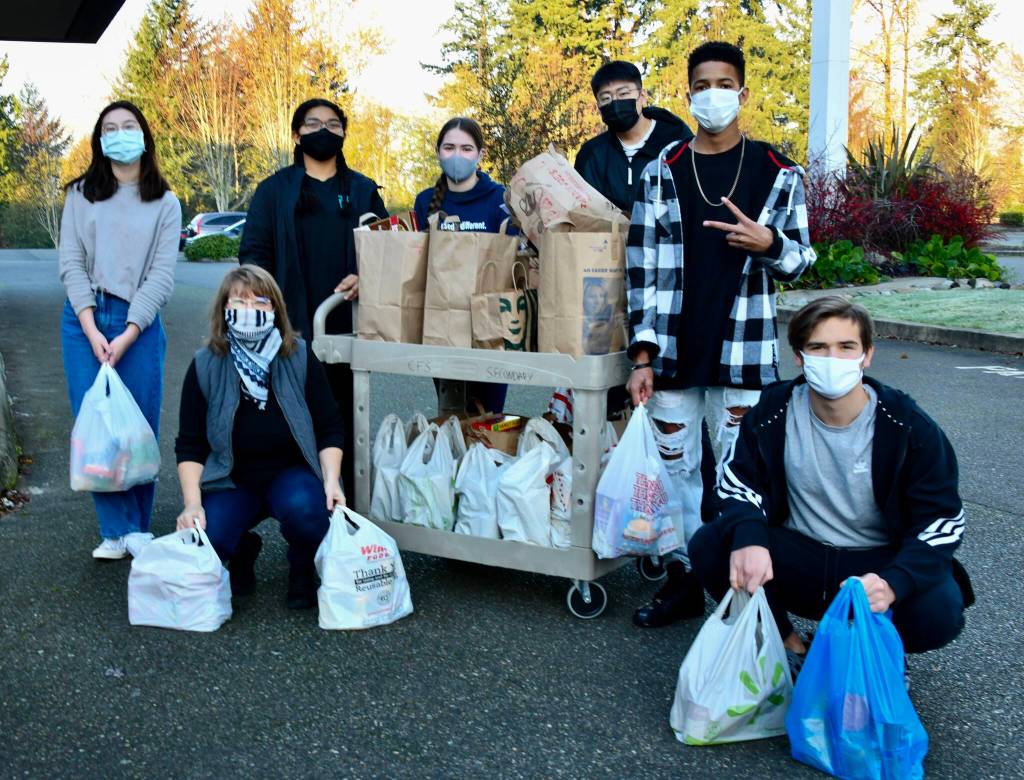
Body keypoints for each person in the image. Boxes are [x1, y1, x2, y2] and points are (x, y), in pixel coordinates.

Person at [626, 41, 816, 628]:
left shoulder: (778, 172)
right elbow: (642, 268)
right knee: (676, 470)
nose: (713, 95)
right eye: (702, 85)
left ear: (743, 92)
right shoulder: (663, 171)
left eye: (724, 84)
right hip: (673, 352)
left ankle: (748, 595)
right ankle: (683, 580)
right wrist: (642, 355)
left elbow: (802, 259)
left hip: (744, 352)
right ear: (688, 94)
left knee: (744, 476)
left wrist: (770, 244)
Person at [689, 297, 973, 672]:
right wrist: (750, 536)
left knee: (939, 608)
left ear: (867, 355)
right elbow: (736, 482)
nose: (832, 358)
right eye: (819, 347)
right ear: (799, 356)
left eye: (846, 346)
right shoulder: (773, 411)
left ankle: (877, 649)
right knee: (712, 544)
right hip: (800, 555)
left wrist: (893, 583)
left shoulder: (907, 426)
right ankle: (789, 645)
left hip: (874, 562)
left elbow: (942, 521)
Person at [239, 98, 386, 503]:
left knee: (345, 422)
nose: (324, 130)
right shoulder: (274, 192)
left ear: (344, 133)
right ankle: (303, 514)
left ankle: (349, 513)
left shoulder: (363, 191)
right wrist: (267, 311)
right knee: (295, 423)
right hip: (291, 331)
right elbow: (253, 256)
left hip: (349, 331)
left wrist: (368, 276)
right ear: (296, 134)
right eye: (313, 123)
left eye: (333, 124)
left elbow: (389, 251)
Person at [174, 266, 345, 610]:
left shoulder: (298, 356)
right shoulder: (206, 364)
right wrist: (192, 503)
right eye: (239, 302)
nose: (249, 310)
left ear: (275, 310)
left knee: (310, 512)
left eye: (260, 302)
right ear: (224, 309)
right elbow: (190, 443)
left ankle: (302, 565)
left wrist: (331, 481)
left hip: (291, 473)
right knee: (209, 537)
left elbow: (329, 426)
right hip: (231, 478)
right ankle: (242, 549)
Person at [59, 100, 180, 560]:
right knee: (97, 426)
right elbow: (71, 263)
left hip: (139, 322)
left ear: (144, 137)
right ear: (99, 140)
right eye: (110, 128)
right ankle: (115, 529)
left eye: (129, 126)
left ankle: (137, 526)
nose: (120, 134)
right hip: (84, 319)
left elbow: (161, 276)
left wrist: (129, 332)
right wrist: (90, 326)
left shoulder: (165, 203)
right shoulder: (80, 195)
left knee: (137, 427)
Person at [414, 117, 514, 414]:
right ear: (438, 152)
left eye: (466, 149)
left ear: (480, 154)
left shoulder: (501, 200)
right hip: (442, 321)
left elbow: (512, 260)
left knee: (487, 416)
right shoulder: (425, 201)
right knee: (451, 412)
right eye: (449, 148)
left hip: (490, 325)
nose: (457, 155)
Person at [575, 60, 694, 213]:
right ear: (598, 106)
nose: (615, 103)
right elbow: (581, 208)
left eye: (623, 94)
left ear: (642, 96)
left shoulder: (677, 142)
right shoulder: (591, 155)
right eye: (606, 98)